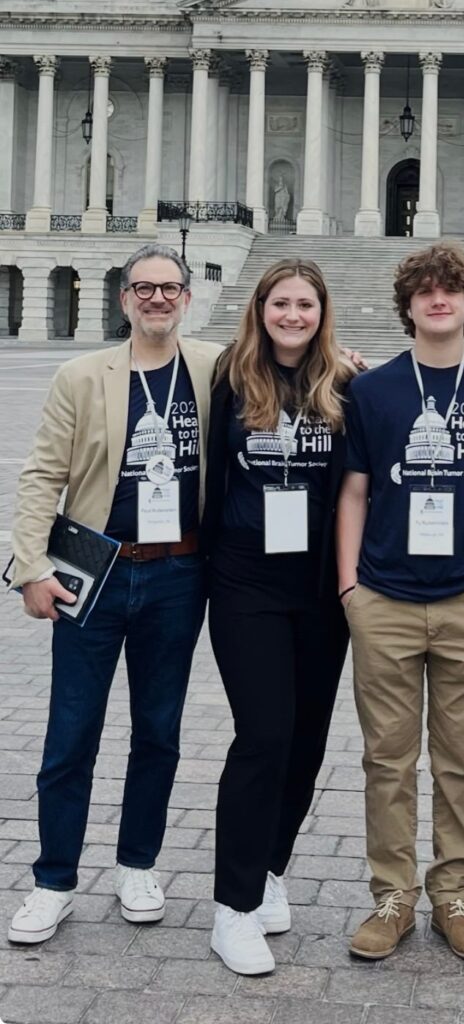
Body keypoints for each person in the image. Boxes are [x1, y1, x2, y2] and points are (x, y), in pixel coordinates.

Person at [6, 244, 219, 943]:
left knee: (158, 732)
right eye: (144, 288)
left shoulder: (212, 367)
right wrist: (28, 568)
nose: (157, 299)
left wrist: (359, 369)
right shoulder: (81, 374)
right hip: (91, 569)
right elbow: (42, 475)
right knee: (71, 734)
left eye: (169, 288)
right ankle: (52, 880)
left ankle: (137, 864)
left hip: (179, 573)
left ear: (187, 298)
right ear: (125, 299)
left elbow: (297, 368)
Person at [337, 242, 464, 962]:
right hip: (382, 596)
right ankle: (392, 895)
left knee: (459, 758)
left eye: (450, 290)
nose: (438, 300)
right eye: (425, 291)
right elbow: (354, 491)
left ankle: (453, 894)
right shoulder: (374, 389)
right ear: (409, 305)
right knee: (386, 759)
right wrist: (348, 587)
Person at [201, 258, 355, 976]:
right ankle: (230, 908)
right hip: (245, 581)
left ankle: (269, 869)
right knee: (262, 735)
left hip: (321, 586)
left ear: (323, 313)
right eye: (281, 303)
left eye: (306, 305)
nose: (293, 315)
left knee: (306, 743)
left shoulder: (343, 384)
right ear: (260, 308)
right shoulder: (228, 377)